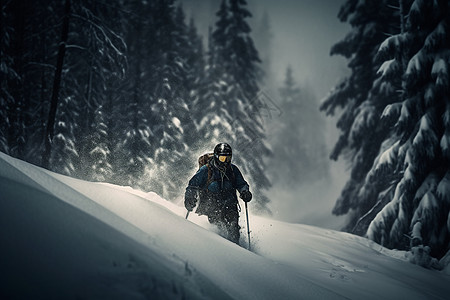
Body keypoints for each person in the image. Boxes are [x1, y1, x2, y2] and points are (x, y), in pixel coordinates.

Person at [184, 143, 252, 244]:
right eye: (222, 158)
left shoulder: (233, 170)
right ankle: (219, 251)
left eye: (228, 158)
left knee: (234, 230)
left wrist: (245, 192)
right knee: (218, 231)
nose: (225, 162)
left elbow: (241, 184)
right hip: (212, 207)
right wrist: (190, 198)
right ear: (216, 157)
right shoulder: (206, 170)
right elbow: (193, 185)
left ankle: (236, 253)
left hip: (230, 206)